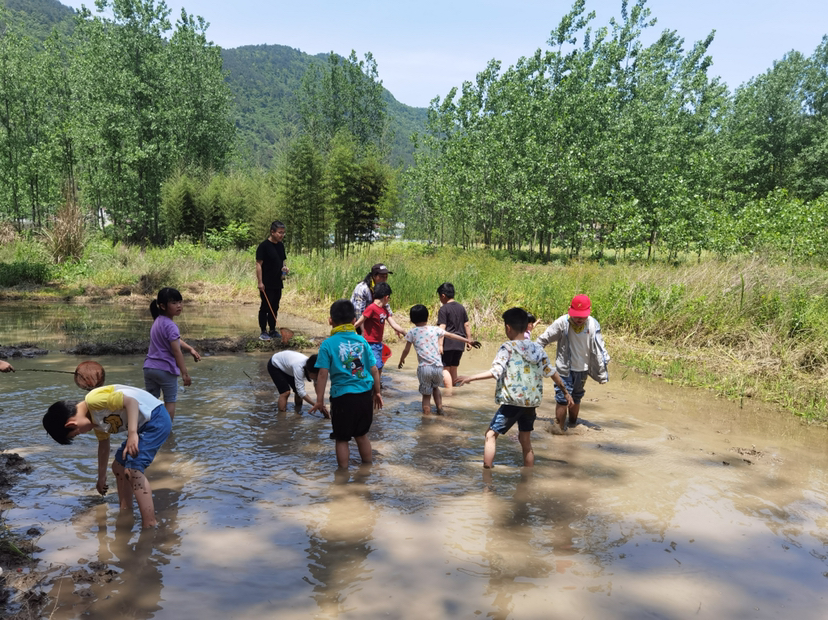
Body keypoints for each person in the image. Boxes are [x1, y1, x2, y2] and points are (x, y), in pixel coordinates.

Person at [456, 307, 573, 469]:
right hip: (530, 403)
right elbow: (552, 373)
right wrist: (566, 392)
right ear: (526, 327)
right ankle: (528, 476)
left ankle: (487, 476)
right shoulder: (538, 349)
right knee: (525, 440)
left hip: (512, 402)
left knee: (490, 435)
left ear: (508, 327)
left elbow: (496, 371)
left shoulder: (507, 347)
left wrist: (470, 377)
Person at [42, 384, 172, 529]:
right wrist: (101, 477)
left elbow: (131, 402)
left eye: (77, 433)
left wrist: (132, 434)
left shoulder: (93, 400)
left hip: (156, 419)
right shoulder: (96, 423)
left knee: (133, 469)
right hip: (144, 425)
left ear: (71, 424)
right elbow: (104, 447)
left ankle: (150, 522)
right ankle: (126, 511)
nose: (82, 433)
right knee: (118, 466)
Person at [310, 300, 383, 469]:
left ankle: (342, 475)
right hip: (364, 395)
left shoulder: (327, 344)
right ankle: (367, 470)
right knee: (362, 435)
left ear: (330, 321)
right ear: (354, 321)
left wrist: (319, 400)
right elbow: (373, 369)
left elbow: (322, 374)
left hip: (342, 398)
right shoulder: (362, 341)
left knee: (342, 438)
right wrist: (377, 392)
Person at [535, 294, 610, 430]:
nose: (579, 319)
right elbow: (542, 340)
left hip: (583, 369)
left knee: (576, 397)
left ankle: (573, 425)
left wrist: (602, 371)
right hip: (564, 369)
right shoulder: (562, 323)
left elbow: (600, 347)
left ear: (589, 311)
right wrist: (535, 358)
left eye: (583, 316)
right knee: (562, 399)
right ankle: (559, 430)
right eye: (576, 316)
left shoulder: (593, 324)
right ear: (570, 310)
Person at [398, 304, 480, 415]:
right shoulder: (435, 329)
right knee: (436, 388)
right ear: (427, 317)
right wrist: (468, 341)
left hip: (424, 368)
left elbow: (406, 350)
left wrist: (401, 360)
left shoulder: (412, 332)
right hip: (438, 367)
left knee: (426, 395)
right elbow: (451, 335)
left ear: (412, 319)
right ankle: (440, 410)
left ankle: (426, 418)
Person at [143, 287, 200, 421]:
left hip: (149, 368)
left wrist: (190, 349)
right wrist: (184, 373)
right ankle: (167, 431)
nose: (179, 306)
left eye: (180, 302)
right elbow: (176, 351)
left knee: (150, 402)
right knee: (170, 401)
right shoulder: (171, 325)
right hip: (165, 370)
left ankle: (148, 427)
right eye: (174, 303)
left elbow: (175, 340)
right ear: (163, 306)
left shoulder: (157, 321)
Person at [353, 282, 406, 376]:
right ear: (386, 297)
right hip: (369, 343)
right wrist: (347, 332)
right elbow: (359, 322)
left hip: (378, 343)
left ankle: (376, 382)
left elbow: (393, 323)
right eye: (389, 298)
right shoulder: (371, 308)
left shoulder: (384, 309)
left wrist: (405, 333)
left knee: (377, 366)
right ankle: (376, 384)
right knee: (377, 366)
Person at [255, 220, 288, 341]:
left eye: (283, 233)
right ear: (272, 232)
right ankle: (263, 331)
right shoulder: (263, 246)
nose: (282, 235)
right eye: (280, 232)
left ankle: (272, 330)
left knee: (275, 307)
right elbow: (258, 264)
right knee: (265, 307)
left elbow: (282, 261)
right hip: (266, 283)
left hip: (278, 282)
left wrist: (285, 269)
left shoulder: (281, 245)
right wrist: (260, 282)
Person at [436, 282, 472, 390]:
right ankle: (455, 389)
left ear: (443, 295)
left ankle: (449, 391)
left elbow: (442, 328)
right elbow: (467, 324)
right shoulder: (461, 307)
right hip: (460, 343)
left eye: (439, 297)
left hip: (448, 343)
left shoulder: (444, 309)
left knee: (445, 368)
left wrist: (440, 345)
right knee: (454, 367)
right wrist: (469, 340)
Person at [350, 264, 393, 333]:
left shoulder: (381, 287)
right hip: (357, 320)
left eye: (386, 277)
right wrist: (363, 331)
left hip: (369, 319)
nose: (384, 279)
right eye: (382, 276)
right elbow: (358, 311)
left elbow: (385, 304)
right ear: (374, 276)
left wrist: (393, 324)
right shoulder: (362, 288)